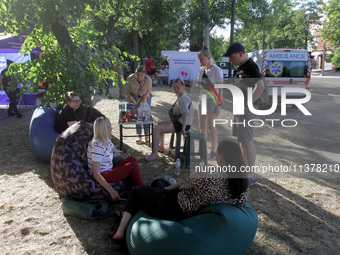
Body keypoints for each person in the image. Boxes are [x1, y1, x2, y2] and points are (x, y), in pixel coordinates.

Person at [113, 140, 250, 244]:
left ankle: (120, 231)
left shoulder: (209, 173)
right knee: (158, 183)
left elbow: (183, 185)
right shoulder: (243, 183)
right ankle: (130, 211)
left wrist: (164, 191)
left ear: (220, 157)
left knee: (138, 191)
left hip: (178, 208)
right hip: (196, 212)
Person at [223, 42, 265, 184]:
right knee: (241, 141)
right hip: (239, 108)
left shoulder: (250, 66)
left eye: (231, 56)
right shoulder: (239, 68)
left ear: (240, 53)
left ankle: (251, 174)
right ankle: (245, 171)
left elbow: (260, 86)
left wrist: (248, 104)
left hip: (246, 109)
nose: (230, 60)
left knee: (247, 141)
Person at [87, 117, 144, 201]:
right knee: (133, 166)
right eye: (110, 126)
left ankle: (135, 188)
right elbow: (96, 174)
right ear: (105, 129)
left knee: (132, 159)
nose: (112, 128)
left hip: (109, 169)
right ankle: (144, 193)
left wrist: (124, 154)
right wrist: (112, 191)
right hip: (103, 174)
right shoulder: (97, 146)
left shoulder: (106, 139)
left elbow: (116, 151)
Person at [145, 78, 193, 162]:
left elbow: (186, 114)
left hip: (181, 124)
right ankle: (161, 146)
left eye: (178, 87)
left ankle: (155, 154)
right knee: (160, 124)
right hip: (179, 122)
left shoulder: (183, 99)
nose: (175, 89)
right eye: (174, 87)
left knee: (156, 129)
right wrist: (165, 121)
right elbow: (180, 115)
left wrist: (183, 128)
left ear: (183, 86)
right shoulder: (182, 96)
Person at [197, 46, 224, 160]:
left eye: (202, 59)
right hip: (201, 99)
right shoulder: (201, 69)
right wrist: (197, 83)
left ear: (208, 58)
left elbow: (221, 89)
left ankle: (213, 152)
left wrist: (218, 105)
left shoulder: (216, 70)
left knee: (211, 127)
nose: (200, 61)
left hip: (211, 101)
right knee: (202, 127)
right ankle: (203, 150)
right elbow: (199, 84)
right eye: (199, 59)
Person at [126, 65, 152, 144]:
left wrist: (141, 106)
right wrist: (131, 106)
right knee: (137, 116)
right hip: (134, 97)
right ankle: (140, 136)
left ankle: (147, 136)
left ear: (145, 75)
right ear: (135, 73)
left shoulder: (148, 80)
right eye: (138, 75)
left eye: (142, 75)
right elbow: (128, 93)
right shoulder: (130, 79)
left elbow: (147, 93)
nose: (139, 77)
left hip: (145, 97)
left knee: (145, 116)